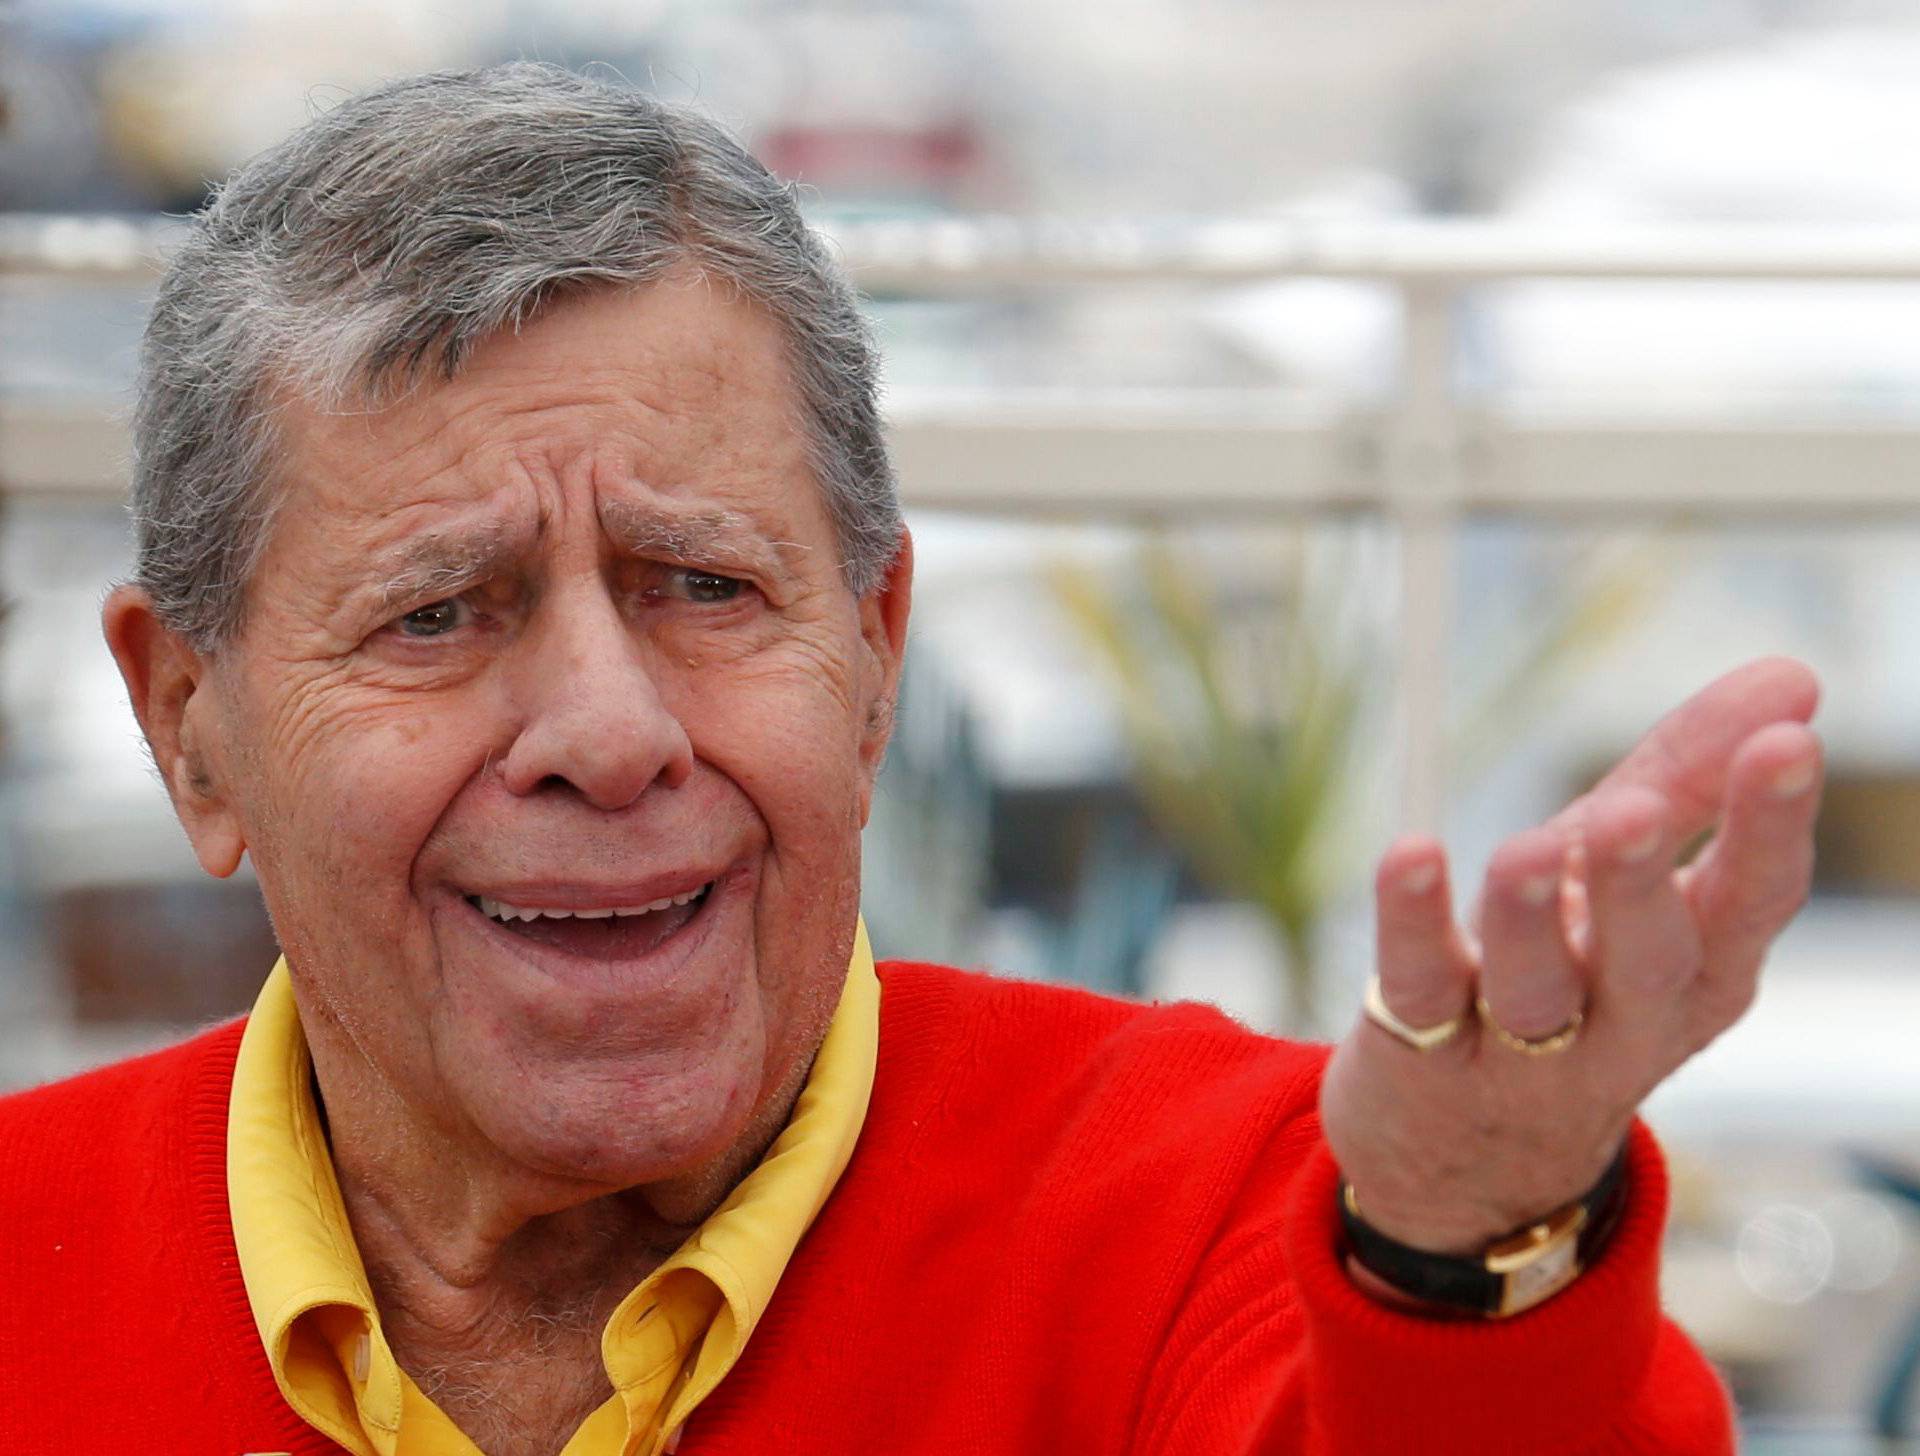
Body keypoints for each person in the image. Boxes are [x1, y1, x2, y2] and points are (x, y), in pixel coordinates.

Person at [0, 64, 1822, 1456]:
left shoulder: (1241, 1214)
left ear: (873, 663)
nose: (614, 734)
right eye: (436, 615)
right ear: (191, 731)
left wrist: (1464, 1257)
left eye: (706, 585)